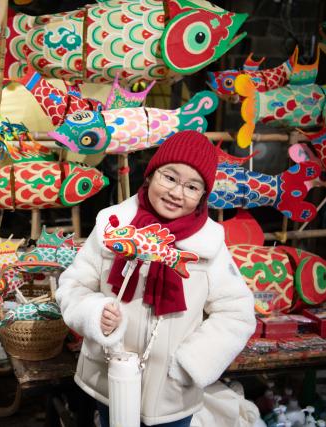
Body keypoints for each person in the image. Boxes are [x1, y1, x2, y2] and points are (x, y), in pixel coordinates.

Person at [55, 130, 256, 427]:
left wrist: (190, 364)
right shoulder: (113, 226)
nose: (177, 193)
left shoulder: (209, 245)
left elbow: (237, 314)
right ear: (151, 175)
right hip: (110, 375)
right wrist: (95, 314)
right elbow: (73, 285)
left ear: (203, 195)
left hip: (172, 392)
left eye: (192, 186)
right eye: (170, 178)